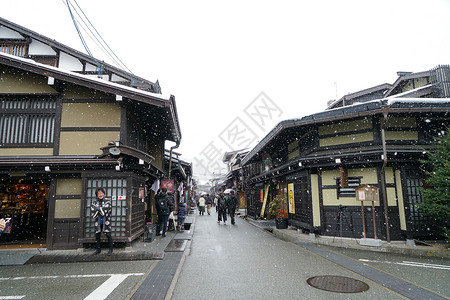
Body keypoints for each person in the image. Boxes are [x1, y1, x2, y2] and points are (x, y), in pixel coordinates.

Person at [91, 188, 113, 255]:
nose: (100, 194)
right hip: (98, 221)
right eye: (99, 193)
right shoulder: (94, 202)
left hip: (106, 221)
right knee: (97, 235)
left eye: (102, 193)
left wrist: (98, 209)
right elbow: (93, 211)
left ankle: (110, 249)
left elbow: (107, 210)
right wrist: (100, 210)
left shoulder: (107, 201)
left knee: (108, 234)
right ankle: (98, 249)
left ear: (104, 193)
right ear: (96, 195)